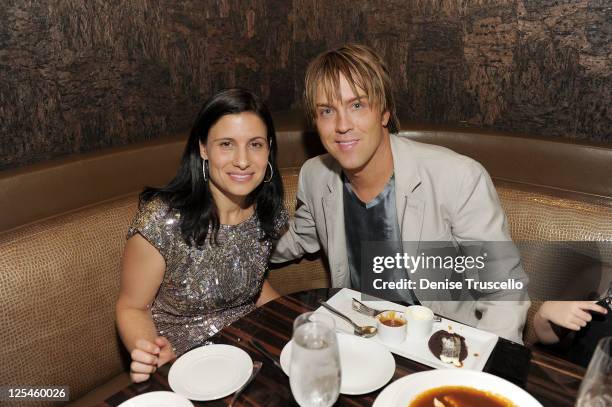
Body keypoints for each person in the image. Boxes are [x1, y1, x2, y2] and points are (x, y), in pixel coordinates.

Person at [271, 44, 530, 343]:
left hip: (443, 344)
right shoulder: (315, 176)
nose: (342, 125)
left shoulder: (457, 177)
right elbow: (298, 238)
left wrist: (482, 378)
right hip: (360, 335)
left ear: (384, 111)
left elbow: (504, 290)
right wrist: (230, 234)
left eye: (357, 105)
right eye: (327, 111)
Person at [116, 88, 287, 382]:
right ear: (204, 149)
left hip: (247, 352)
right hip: (183, 363)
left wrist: (299, 324)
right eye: (226, 144)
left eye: (255, 144)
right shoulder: (162, 219)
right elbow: (132, 306)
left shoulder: (265, 211)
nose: (243, 161)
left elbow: (256, 285)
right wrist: (154, 355)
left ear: (268, 149)